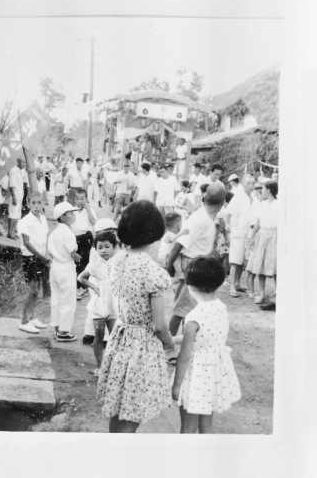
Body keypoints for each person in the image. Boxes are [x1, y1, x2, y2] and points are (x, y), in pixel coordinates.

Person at [97, 201, 174, 433]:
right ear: (155, 232)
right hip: (142, 346)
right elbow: (160, 325)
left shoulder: (117, 260)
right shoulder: (152, 272)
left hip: (120, 337)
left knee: (119, 406)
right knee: (133, 411)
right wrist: (170, 344)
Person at [172, 257, 241, 433]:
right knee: (206, 425)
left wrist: (177, 385)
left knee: (187, 427)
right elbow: (205, 338)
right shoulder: (221, 308)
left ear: (190, 285)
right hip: (213, 375)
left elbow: (185, 355)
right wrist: (172, 340)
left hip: (195, 376)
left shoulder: (193, 317)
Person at [165, 183, 226, 339]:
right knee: (180, 309)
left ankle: (187, 344)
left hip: (199, 265)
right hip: (191, 266)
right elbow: (179, 244)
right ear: (222, 202)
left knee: (191, 309)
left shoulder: (206, 216)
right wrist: (169, 266)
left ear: (205, 198)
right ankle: (167, 348)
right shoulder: (200, 219)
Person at [78, 231, 118, 376]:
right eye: (100, 247)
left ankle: (113, 366)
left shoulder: (118, 263)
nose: (104, 250)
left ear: (114, 247)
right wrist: (94, 287)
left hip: (113, 304)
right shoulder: (94, 265)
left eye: (107, 247)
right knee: (99, 335)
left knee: (114, 337)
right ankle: (100, 366)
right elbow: (81, 277)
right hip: (100, 304)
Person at [17, 192, 51, 334]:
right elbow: (27, 243)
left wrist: (46, 254)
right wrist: (42, 257)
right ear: (28, 204)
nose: (36, 206)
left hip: (41, 257)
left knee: (37, 290)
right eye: (33, 203)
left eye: (39, 203)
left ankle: (32, 318)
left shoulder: (43, 218)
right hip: (31, 258)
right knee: (32, 290)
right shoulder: (25, 221)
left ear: (43, 203)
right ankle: (24, 321)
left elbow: (45, 238)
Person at [47, 201, 81, 342]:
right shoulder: (68, 233)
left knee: (56, 298)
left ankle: (56, 327)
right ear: (62, 217)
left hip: (55, 266)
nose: (73, 215)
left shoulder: (54, 232)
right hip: (65, 267)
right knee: (68, 299)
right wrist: (78, 257)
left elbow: (49, 250)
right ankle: (64, 331)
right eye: (71, 213)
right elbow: (72, 252)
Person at [246, 181, 278, 308]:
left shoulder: (278, 204)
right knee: (260, 265)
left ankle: (277, 294)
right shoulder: (262, 204)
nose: (261, 191)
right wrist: (252, 236)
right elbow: (258, 222)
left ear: (269, 190)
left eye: (263, 189)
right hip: (262, 235)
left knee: (275, 267)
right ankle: (262, 294)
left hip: (275, 235)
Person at [225, 174, 257, 298]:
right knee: (235, 260)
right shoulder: (238, 197)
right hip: (238, 230)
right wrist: (227, 224)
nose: (251, 186)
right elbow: (228, 212)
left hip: (249, 232)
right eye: (248, 183)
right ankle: (232, 286)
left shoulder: (255, 197)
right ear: (243, 183)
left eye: (253, 183)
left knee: (242, 260)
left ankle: (238, 283)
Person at [72, 189, 97, 300]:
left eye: (82, 199)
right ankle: (79, 287)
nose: (80, 201)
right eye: (77, 199)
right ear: (74, 200)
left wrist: (88, 210)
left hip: (86, 237)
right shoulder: (72, 210)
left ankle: (83, 288)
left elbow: (93, 222)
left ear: (86, 199)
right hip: (75, 238)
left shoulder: (89, 210)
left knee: (85, 262)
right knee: (77, 263)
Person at [7, 157, 26, 239]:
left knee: (17, 215)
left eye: (25, 163)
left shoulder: (20, 172)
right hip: (14, 196)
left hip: (19, 196)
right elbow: (12, 185)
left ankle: (13, 232)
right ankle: (10, 233)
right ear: (18, 162)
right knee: (12, 214)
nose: (24, 165)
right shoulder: (14, 171)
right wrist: (14, 197)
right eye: (23, 163)